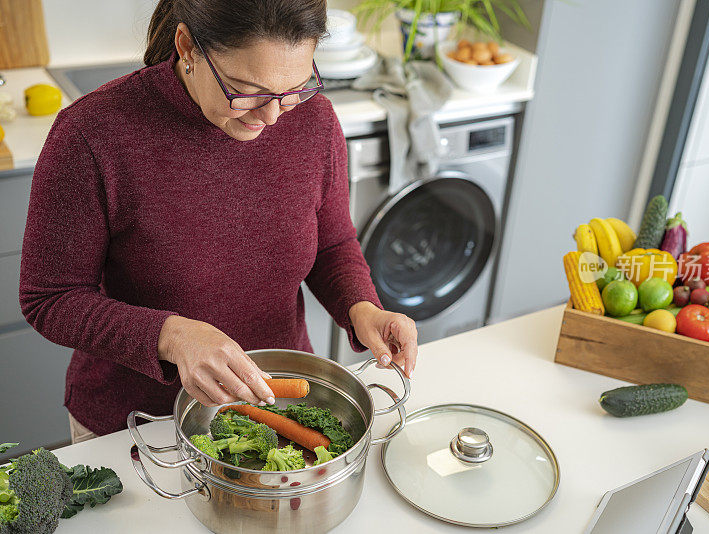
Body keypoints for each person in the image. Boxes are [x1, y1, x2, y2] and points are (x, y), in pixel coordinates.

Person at [19, 0, 418, 443]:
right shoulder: (92, 134)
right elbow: (50, 298)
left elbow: (332, 244)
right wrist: (170, 337)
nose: (271, 117)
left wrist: (362, 308)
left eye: (295, 89)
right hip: (137, 428)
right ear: (188, 47)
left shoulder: (313, 120)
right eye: (246, 90)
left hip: (278, 405)